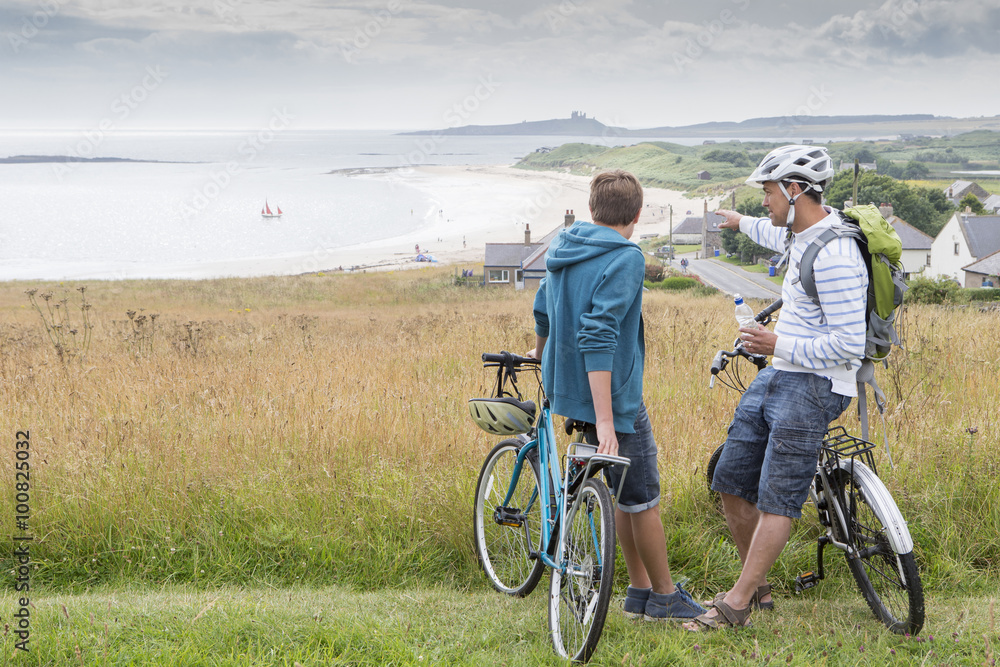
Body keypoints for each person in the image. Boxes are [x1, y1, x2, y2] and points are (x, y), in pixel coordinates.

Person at [685, 145, 868, 631]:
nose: (765, 200)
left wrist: (776, 341)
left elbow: (850, 344)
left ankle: (738, 602)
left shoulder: (835, 254)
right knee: (729, 479)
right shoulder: (802, 232)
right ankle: (757, 586)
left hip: (817, 384)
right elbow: (771, 229)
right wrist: (738, 220)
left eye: (768, 191)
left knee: (777, 496)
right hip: (781, 372)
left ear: (794, 190)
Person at [529, 169, 705, 622]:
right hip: (613, 401)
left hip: (568, 391)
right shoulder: (625, 257)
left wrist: (541, 356)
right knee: (643, 496)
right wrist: (607, 420)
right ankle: (665, 598)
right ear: (638, 214)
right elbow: (599, 335)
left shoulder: (563, 247)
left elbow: (542, 309)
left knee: (622, 492)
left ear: (592, 210)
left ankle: (638, 589)